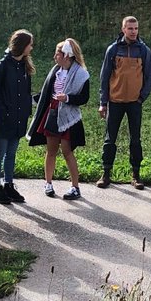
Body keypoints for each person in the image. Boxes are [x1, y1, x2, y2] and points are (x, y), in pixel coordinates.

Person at [97, 15, 151, 190]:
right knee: (110, 139)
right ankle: (106, 173)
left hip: (134, 103)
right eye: (130, 28)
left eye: (136, 28)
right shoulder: (113, 50)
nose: (133, 31)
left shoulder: (144, 51)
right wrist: (103, 102)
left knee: (135, 140)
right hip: (115, 101)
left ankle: (136, 175)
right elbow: (104, 77)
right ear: (123, 29)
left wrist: (141, 97)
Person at [29, 38, 90, 200]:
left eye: (57, 53)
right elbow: (47, 93)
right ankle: (48, 183)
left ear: (67, 56)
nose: (55, 56)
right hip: (53, 112)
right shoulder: (56, 71)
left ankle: (75, 187)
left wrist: (68, 98)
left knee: (67, 151)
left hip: (68, 116)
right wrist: (32, 100)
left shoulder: (81, 74)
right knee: (51, 150)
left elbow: (84, 98)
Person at [0, 30, 35, 204]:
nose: (32, 47)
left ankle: (8, 185)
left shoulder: (23, 66)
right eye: (30, 44)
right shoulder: (2, 66)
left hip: (18, 119)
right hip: (3, 120)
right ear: (22, 45)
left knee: (12, 154)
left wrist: (25, 112)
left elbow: (26, 93)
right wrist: (4, 113)